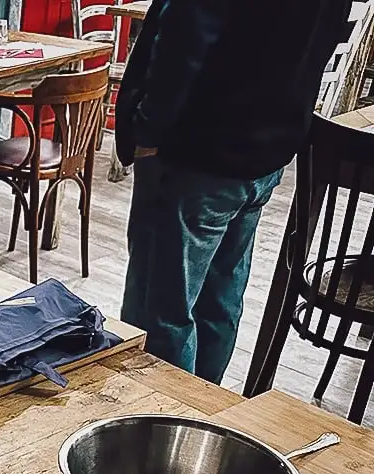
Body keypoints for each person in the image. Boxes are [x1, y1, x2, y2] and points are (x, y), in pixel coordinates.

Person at [116, 0, 353, 383]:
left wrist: (147, 129)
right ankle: (203, 420)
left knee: (160, 314)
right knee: (218, 300)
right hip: (265, 148)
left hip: (198, 153)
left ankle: (163, 427)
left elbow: (184, 39)